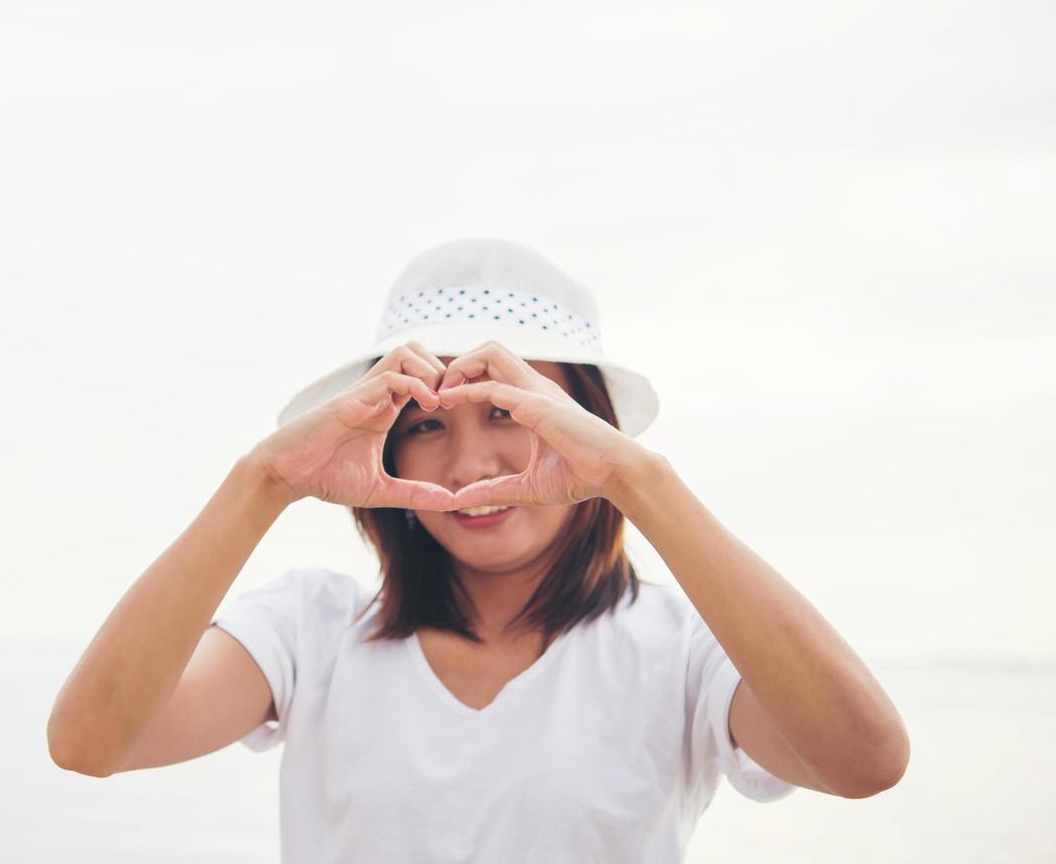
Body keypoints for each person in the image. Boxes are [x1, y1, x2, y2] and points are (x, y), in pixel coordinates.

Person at [46, 237, 910, 863]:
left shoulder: (679, 650)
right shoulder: (310, 632)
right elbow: (92, 742)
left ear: (586, 426)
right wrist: (260, 484)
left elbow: (864, 761)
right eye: (423, 424)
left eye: (507, 410)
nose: (468, 465)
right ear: (382, 442)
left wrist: (638, 483)